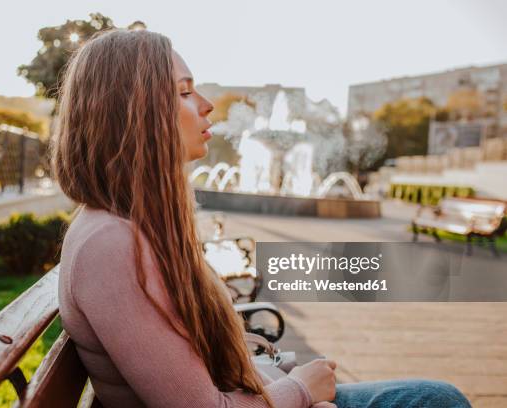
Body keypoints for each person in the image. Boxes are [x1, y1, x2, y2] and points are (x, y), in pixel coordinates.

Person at [54, 29, 471, 408]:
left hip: (260, 392)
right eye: (184, 93)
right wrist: (303, 390)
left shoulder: (128, 226)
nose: (206, 105)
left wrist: (286, 382)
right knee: (437, 400)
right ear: (133, 112)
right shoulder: (110, 243)